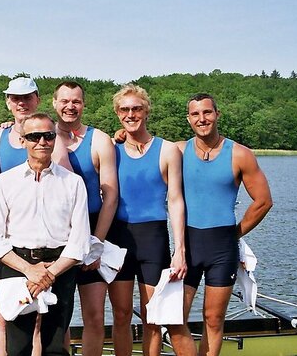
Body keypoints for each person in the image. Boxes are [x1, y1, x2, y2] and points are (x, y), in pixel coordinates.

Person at [0, 112, 90, 356]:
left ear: (55, 139)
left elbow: (80, 241)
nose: (42, 142)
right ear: (23, 140)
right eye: (34, 136)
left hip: (60, 267)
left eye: (48, 136)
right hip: (17, 265)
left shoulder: (73, 183)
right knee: (17, 346)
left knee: (54, 345)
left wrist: (48, 274)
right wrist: (29, 270)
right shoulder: (5, 182)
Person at [178, 93, 272, 356]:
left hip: (222, 248)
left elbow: (263, 201)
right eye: (195, 114)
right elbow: (142, 147)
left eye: (207, 112)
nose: (202, 119)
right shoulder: (178, 150)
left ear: (217, 114)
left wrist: (235, 233)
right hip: (189, 246)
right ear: (189, 119)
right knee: (175, 317)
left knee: (213, 319)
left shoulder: (240, 154)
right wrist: (119, 135)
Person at [108, 84, 195, 356]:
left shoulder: (168, 150)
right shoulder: (112, 148)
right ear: (117, 113)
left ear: (146, 111)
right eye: (124, 109)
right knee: (121, 315)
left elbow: (176, 200)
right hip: (119, 238)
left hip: (153, 239)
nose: (130, 114)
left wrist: (179, 250)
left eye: (136, 108)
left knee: (153, 317)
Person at [52, 81, 118, 355]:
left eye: (76, 101)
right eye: (64, 101)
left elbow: (110, 196)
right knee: (59, 318)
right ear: (54, 103)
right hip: (58, 234)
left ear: (83, 104)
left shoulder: (100, 140)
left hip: (92, 229)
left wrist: (96, 244)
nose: (70, 106)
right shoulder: (42, 135)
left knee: (94, 316)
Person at [0, 76, 41, 356]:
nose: (21, 103)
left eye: (27, 97)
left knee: (42, 317)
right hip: (5, 241)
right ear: (8, 102)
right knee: (5, 314)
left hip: (40, 239)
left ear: (37, 100)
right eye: (15, 98)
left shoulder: (49, 136)